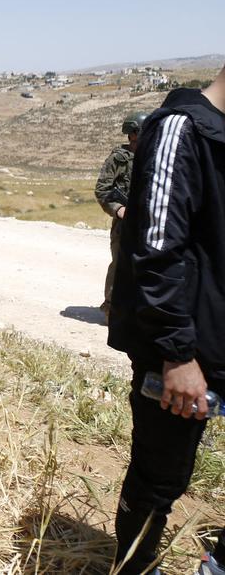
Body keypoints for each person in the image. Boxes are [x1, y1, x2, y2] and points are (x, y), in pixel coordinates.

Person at [107, 64, 225, 575]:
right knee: (160, 479)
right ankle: (134, 568)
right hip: (186, 352)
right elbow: (155, 251)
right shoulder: (181, 127)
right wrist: (177, 354)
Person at [94, 110, 147, 324]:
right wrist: (118, 209)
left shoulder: (151, 156)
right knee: (119, 265)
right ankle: (111, 309)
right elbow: (102, 189)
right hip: (124, 223)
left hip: (146, 221)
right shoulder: (119, 159)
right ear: (133, 134)